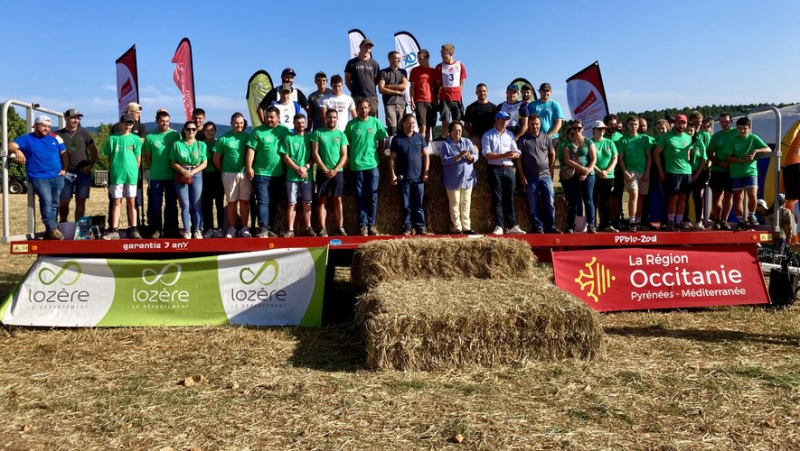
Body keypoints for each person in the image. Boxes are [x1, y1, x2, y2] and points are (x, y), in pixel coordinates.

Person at [8, 115, 67, 239]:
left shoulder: (56, 138)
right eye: (43, 126)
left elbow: (64, 154)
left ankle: (51, 230)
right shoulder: (27, 138)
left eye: (49, 127)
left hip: (57, 175)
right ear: (36, 125)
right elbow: (10, 145)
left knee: (55, 203)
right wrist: (17, 151)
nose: (46, 129)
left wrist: (64, 170)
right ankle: (51, 228)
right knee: (46, 200)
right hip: (38, 176)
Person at [344, 98, 388, 236]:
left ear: (369, 109)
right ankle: (363, 225)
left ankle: (371, 224)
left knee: (373, 195)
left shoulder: (375, 123)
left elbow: (383, 140)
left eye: (365, 108)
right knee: (360, 195)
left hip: (372, 164)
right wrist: (349, 158)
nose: (363, 110)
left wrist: (378, 152)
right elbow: (345, 144)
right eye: (361, 108)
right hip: (357, 166)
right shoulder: (351, 125)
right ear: (357, 109)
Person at [246, 106, 291, 238]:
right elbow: (251, 150)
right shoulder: (258, 131)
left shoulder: (285, 131)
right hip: (261, 173)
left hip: (278, 174)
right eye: (267, 117)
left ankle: (269, 227)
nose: (269, 119)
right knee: (263, 201)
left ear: (278, 118)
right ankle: (263, 228)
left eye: (272, 117)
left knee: (273, 202)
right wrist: (249, 167)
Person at [725, 117, 772, 229]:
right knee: (738, 196)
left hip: (750, 170)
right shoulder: (733, 140)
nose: (742, 131)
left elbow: (768, 149)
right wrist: (742, 160)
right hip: (736, 172)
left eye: (745, 128)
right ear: (736, 128)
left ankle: (751, 215)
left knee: (752, 193)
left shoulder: (753, 138)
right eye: (740, 128)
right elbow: (728, 158)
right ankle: (741, 220)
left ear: (749, 128)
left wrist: (755, 151)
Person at [482, 110, 524, 235]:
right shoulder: (488, 135)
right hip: (495, 169)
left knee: (509, 198)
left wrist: (514, 154)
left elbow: (517, 152)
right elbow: (486, 154)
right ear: (497, 120)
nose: (505, 122)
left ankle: (512, 225)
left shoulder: (510, 135)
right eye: (503, 119)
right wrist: (504, 155)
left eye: (507, 120)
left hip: (509, 169)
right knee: (497, 198)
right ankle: (499, 226)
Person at [102, 114, 143, 239]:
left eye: (130, 123)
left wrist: (133, 170)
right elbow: (109, 157)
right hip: (117, 174)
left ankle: (134, 228)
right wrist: (115, 167)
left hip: (131, 175)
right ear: (120, 123)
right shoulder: (112, 138)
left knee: (131, 201)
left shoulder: (136, 139)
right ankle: (114, 230)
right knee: (116, 201)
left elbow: (138, 158)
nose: (128, 125)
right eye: (125, 123)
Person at [390, 114, 432, 235]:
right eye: (409, 123)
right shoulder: (397, 139)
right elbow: (392, 159)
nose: (411, 125)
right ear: (403, 123)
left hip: (419, 178)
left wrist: (426, 171)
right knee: (406, 204)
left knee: (418, 204)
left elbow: (426, 155)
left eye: (413, 123)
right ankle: (407, 227)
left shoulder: (420, 138)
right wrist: (392, 174)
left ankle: (421, 226)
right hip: (403, 178)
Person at [516, 114, 557, 234]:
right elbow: (518, 159)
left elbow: (552, 154)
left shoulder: (547, 138)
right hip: (530, 177)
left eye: (537, 124)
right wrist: (521, 175)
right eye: (532, 124)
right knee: (532, 204)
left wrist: (551, 169)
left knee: (550, 202)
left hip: (545, 176)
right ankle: (538, 226)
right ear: (528, 125)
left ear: (540, 124)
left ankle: (551, 226)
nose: (535, 126)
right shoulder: (523, 140)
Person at [143, 109, 180, 238]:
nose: (165, 123)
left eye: (167, 121)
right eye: (162, 121)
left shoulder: (175, 136)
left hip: (172, 176)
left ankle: (172, 229)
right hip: (156, 176)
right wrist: (154, 167)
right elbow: (147, 157)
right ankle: (156, 230)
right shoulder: (150, 137)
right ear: (157, 121)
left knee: (171, 204)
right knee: (156, 204)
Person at [214, 112, 252, 238]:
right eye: (236, 123)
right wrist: (224, 171)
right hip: (228, 173)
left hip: (245, 173)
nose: (239, 125)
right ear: (231, 123)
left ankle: (244, 228)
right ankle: (231, 228)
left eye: (241, 123)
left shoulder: (248, 137)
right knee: (231, 202)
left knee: (244, 202)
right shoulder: (223, 138)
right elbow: (216, 159)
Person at [55, 108, 97, 222]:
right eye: (73, 117)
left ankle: (79, 228)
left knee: (81, 200)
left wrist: (90, 165)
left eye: (78, 118)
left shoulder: (84, 132)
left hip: (83, 172)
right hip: (66, 172)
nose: (76, 120)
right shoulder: (58, 135)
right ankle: (63, 223)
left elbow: (94, 151)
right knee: (64, 200)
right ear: (65, 117)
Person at [311, 109, 349, 237]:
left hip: (338, 172)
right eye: (329, 117)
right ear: (325, 118)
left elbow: (344, 155)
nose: (332, 120)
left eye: (334, 117)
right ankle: (322, 228)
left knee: (337, 199)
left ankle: (340, 227)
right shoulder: (317, 133)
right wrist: (323, 167)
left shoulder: (341, 135)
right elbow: (315, 153)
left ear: (337, 119)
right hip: (323, 172)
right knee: (322, 200)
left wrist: (335, 169)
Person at [654, 114, 693, 231]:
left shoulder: (688, 137)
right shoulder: (666, 137)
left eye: (684, 123)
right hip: (672, 171)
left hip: (686, 171)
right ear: (675, 123)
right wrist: (661, 170)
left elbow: (688, 156)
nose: (681, 125)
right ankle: (670, 221)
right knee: (673, 198)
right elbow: (656, 153)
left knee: (683, 197)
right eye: (679, 122)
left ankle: (679, 221)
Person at [279, 114, 314, 237]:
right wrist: (298, 169)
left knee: (307, 203)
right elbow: (285, 157)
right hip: (292, 177)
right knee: (291, 203)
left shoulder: (310, 138)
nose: (301, 125)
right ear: (294, 124)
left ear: (306, 124)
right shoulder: (288, 138)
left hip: (307, 176)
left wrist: (306, 167)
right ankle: (290, 230)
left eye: (303, 122)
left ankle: (308, 227)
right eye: (298, 123)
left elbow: (313, 156)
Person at [171, 121, 207, 239]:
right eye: (188, 129)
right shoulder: (177, 144)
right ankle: (187, 230)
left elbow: (204, 163)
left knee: (197, 204)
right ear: (184, 130)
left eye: (194, 129)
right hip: (181, 174)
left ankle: (197, 230)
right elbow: (173, 162)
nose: (191, 131)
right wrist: (182, 170)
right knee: (185, 205)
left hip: (196, 174)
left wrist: (193, 172)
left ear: (196, 131)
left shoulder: (201, 145)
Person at [441, 121, 478, 234]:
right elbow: (444, 161)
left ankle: (467, 227)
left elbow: (476, 156)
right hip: (453, 180)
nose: (458, 133)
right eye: (455, 130)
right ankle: (457, 227)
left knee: (466, 202)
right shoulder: (446, 145)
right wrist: (459, 155)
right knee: (455, 203)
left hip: (467, 179)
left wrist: (471, 156)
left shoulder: (467, 142)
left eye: (460, 131)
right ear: (450, 132)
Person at [617, 116, 652, 232]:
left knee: (641, 197)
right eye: (631, 124)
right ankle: (631, 221)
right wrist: (625, 172)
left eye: (636, 124)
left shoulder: (644, 138)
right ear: (627, 126)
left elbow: (649, 156)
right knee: (634, 195)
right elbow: (620, 158)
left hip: (643, 171)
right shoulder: (623, 140)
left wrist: (647, 172)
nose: (634, 127)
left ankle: (637, 220)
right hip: (630, 171)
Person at [562, 120, 597, 234]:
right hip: (573, 175)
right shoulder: (567, 144)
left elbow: (593, 159)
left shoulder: (589, 141)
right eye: (574, 128)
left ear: (583, 128)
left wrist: (586, 172)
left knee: (588, 200)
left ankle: (591, 225)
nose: (576, 130)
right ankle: (571, 225)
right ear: (572, 129)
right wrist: (581, 169)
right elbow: (567, 160)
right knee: (572, 201)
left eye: (579, 128)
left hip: (589, 175)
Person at [707, 112, 737, 230]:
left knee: (729, 196)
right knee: (717, 196)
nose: (724, 124)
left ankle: (724, 220)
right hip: (718, 170)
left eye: (726, 121)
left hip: (733, 170)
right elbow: (709, 153)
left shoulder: (736, 133)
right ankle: (717, 219)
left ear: (731, 122)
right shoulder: (716, 136)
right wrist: (720, 163)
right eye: (722, 122)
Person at [591, 121, 618, 232]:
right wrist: (598, 171)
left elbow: (614, 158)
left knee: (606, 201)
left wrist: (606, 171)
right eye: (599, 129)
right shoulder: (590, 142)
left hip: (609, 176)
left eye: (603, 129)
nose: (602, 131)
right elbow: (589, 160)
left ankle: (606, 224)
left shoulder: (609, 142)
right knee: (593, 201)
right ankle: (592, 223)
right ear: (593, 130)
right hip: (593, 176)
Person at [435, 43, 467, 136]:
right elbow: (437, 84)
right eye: (441, 53)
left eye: (444, 53)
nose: (442, 55)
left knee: (457, 120)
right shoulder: (439, 67)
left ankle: (457, 138)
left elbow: (462, 82)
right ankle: (445, 138)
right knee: (445, 120)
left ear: (451, 53)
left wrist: (458, 91)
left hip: (456, 97)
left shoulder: (460, 65)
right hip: (444, 97)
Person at [344, 38, 380, 118]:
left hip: (371, 97)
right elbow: (347, 81)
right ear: (360, 47)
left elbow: (376, 80)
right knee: (357, 121)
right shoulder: (351, 63)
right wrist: (355, 91)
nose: (367, 49)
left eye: (369, 48)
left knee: (372, 122)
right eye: (365, 47)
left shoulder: (374, 63)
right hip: (357, 97)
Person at [200, 121, 224, 237]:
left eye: (212, 130)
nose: (209, 133)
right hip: (205, 176)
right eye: (207, 130)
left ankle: (220, 228)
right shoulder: (200, 144)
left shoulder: (219, 143)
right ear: (203, 132)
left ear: (215, 131)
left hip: (218, 174)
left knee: (219, 202)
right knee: (207, 203)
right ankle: (208, 228)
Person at [684, 122, 709, 230]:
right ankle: (685, 219)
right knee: (684, 197)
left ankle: (699, 220)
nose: (689, 133)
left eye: (691, 131)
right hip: (684, 172)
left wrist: (697, 174)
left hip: (697, 172)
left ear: (695, 132)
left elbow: (704, 160)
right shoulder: (682, 142)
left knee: (697, 196)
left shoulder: (699, 143)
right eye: (687, 130)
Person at [378, 51, 408, 137]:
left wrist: (387, 86)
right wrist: (397, 92)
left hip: (401, 104)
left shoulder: (403, 72)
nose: (399, 60)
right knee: (392, 129)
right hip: (389, 104)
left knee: (401, 128)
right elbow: (381, 89)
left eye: (399, 58)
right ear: (390, 59)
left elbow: (404, 86)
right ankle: (391, 148)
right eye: (397, 58)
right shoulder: (383, 72)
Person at [409, 49, 437, 140]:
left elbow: (437, 86)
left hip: (432, 102)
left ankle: (425, 150)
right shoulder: (415, 70)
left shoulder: (433, 70)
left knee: (428, 128)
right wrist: (412, 100)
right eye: (418, 58)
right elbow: (412, 87)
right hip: (420, 101)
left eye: (420, 58)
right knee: (422, 127)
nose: (419, 61)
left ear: (427, 58)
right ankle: (420, 150)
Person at [463, 83, 496, 150]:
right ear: (476, 93)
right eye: (480, 91)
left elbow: (497, 124)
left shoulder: (494, 108)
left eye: (484, 91)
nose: (482, 93)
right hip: (476, 137)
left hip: (491, 136)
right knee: (472, 151)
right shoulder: (470, 108)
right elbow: (466, 125)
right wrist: (472, 134)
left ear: (487, 91)